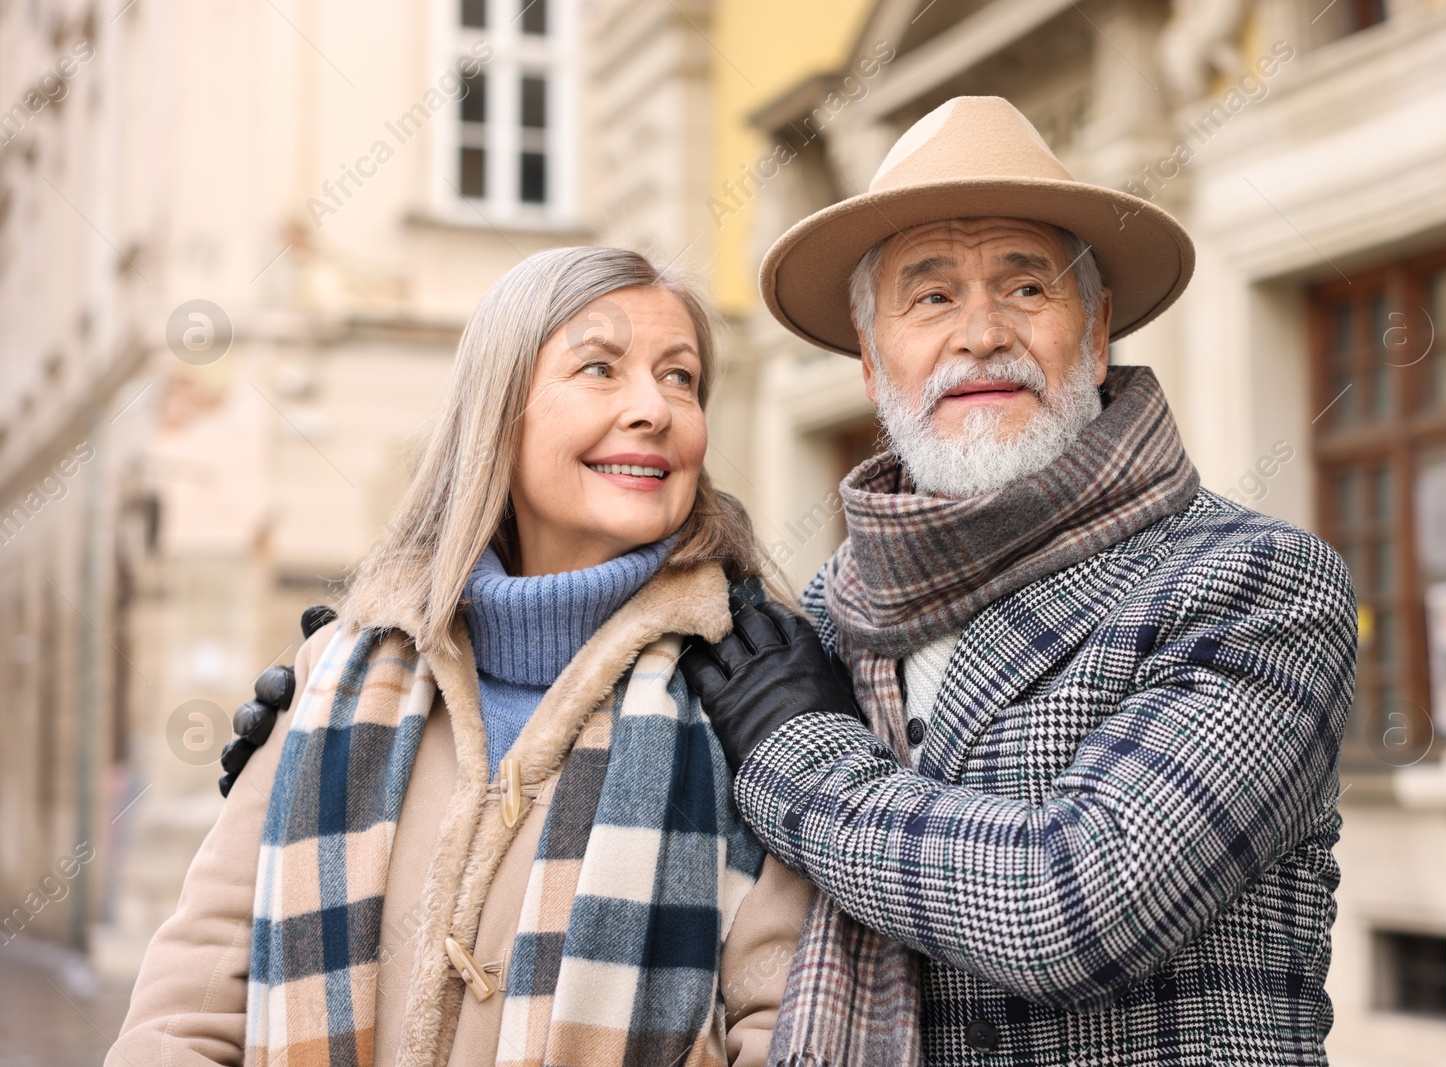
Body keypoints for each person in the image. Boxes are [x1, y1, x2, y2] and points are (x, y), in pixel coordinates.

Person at [682, 96, 1358, 1065]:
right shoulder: (824, 616)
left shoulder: (1257, 582)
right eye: (930, 296)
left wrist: (798, 755)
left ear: (1095, 332)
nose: (980, 333)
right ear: (873, 361)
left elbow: (1070, 902)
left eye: (1027, 288)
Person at [109, 247, 813, 1067]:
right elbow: (189, 1010)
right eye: (599, 368)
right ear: (498, 410)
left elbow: (786, 1020)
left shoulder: (754, 685)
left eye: (681, 377)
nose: (654, 409)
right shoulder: (333, 674)